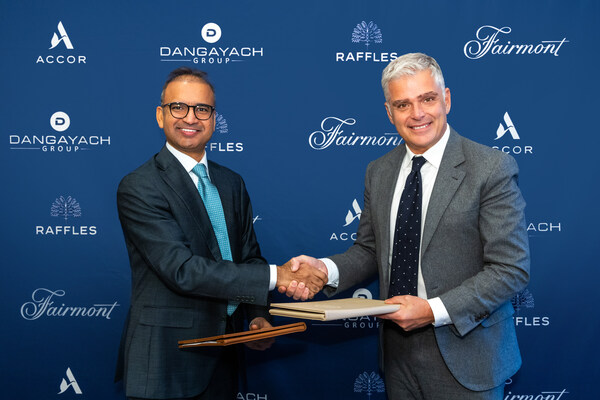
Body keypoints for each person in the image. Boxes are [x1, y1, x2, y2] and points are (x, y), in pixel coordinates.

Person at [282, 53, 530, 399]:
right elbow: (371, 250)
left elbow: (510, 268)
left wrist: (432, 310)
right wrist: (326, 270)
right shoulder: (379, 171)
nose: (417, 113)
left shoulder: (490, 168)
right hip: (397, 355)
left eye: (427, 99)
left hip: (468, 355)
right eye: (403, 104)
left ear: (446, 99)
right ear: (389, 112)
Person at [114, 67, 327, 400]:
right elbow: (183, 270)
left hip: (225, 353)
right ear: (160, 115)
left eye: (202, 109)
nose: (190, 117)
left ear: (214, 119)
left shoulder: (230, 182)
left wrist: (257, 317)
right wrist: (279, 276)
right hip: (167, 362)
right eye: (178, 107)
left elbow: (249, 257)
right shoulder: (140, 186)